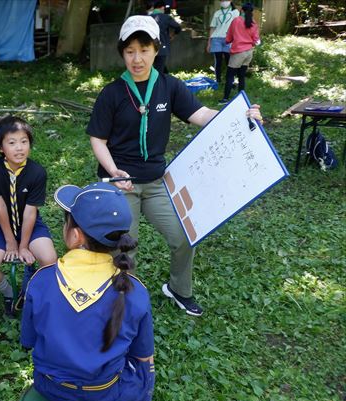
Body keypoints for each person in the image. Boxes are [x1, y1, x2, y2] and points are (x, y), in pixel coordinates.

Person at [86, 15, 262, 316]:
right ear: (123, 54)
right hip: (120, 184)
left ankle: (179, 289)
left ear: (157, 49)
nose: (137, 58)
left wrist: (240, 115)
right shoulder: (112, 93)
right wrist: (114, 171)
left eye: (144, 49)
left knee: (184, 237)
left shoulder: (168, 86)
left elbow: (201, 115)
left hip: (156, 183)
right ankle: (122, 299)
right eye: (130, 51)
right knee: (127, 244)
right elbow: (97, 140)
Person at [21, 182, 155, 401]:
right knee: (146, 366)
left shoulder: (41, 280)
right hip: (109, 396)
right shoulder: (135, 290)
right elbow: (143, 357)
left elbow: (28, 341)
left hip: (51, 390)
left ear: (75, 235)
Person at [0, 116, 57, 316]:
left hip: (29, 224)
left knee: (50, 259)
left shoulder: (37, 172)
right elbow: (0, 205)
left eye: (24, 141)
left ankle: (34, 293)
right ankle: (9, 293)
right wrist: (10, 242)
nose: (19, 148)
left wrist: (23, 245)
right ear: (0, 147)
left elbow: (31, 211)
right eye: (12, 143)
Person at [220, 2, 260, 104]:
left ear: (241, 10)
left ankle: (225, 99)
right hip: (249, 52)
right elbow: (256, 40)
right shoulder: (254, 23)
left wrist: (227, 41)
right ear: (252, 12)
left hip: (238, 52)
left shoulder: (236, 21)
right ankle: (241, 98)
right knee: (241, 76)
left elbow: (229, 37)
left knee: (229, 76)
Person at [207, 0, 240, 85]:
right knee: (218, 61)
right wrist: (209, 43)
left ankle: (230, 81)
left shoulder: (235, 12)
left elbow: (238, 27)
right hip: (216, 39)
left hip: (229, 39)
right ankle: (217, 80)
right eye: (221, 0)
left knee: (229, 61)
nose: (223, 1)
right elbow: (212, 28)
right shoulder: (217, 13)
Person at [149, 0, 181, 74]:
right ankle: (159, 84)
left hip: (149, 47)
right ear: (162, 7)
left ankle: (167, 80)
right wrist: (173, 35)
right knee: (159, 69)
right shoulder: (166, 17)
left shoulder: (148, 18)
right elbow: (178, 27)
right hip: (162, 47)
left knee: (158, 67)